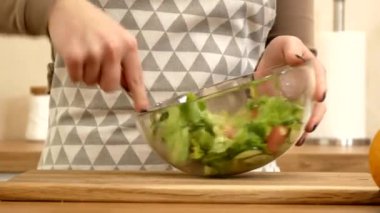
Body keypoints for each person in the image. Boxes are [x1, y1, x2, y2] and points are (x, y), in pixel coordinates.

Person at [0, 0, 326, 171]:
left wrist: (292, 72)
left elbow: (291, 47)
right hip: (87, 182)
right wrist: (53, 6)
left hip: (242, 187)